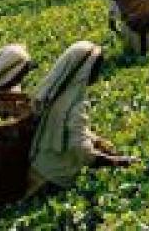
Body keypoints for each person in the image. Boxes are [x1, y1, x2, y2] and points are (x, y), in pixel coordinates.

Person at [27, 41, 137, 194]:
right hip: (55, 177)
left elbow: (66, 129)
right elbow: (82, 151)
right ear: (85, 70)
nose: (98, 73)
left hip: (37, 167)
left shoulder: (50, 92)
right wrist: (117, 162)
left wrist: (96, 140)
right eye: (96, 68)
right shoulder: (75, 104)